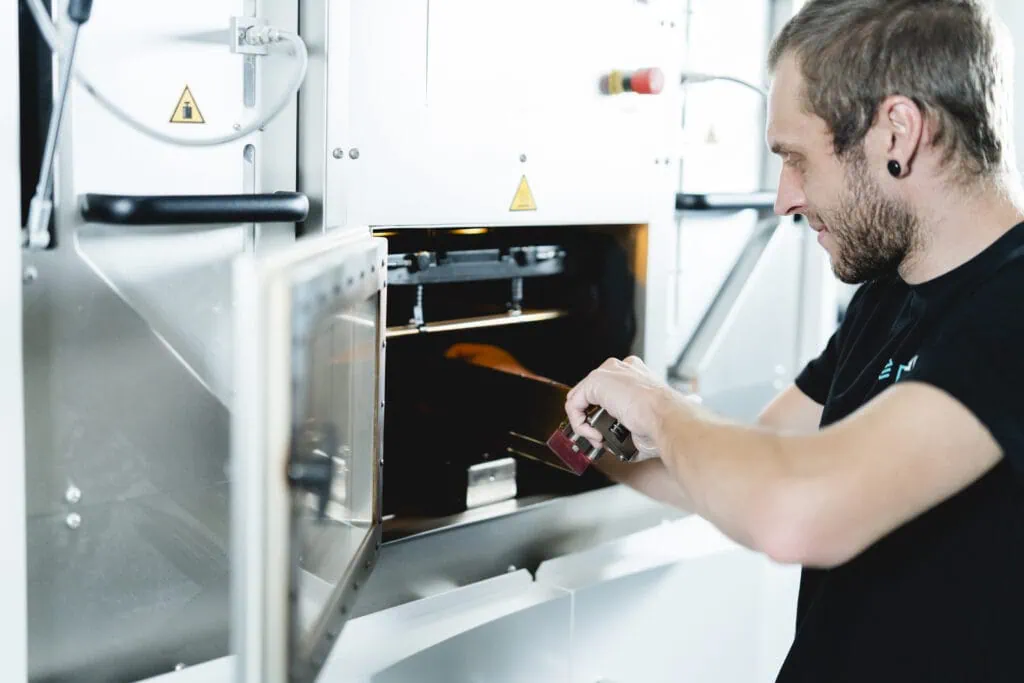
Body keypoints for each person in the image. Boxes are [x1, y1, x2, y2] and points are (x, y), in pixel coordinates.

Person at [566, 0, 1024, 680]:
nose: (785, 198)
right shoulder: (887, 296)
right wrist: (579, 433)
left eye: (796, 159)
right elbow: (759, 456)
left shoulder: (1011, 308)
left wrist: (662, 409)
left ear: (897, 133)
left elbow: (794, 510)